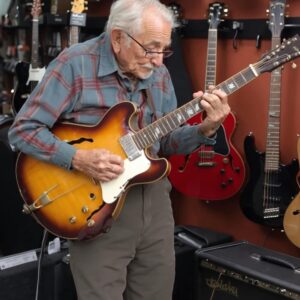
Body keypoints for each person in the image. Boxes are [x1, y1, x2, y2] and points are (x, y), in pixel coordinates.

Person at [8, 0, 230, 299]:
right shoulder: (74, 64)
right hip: (95, 207)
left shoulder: (158, 73)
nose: (159, 61)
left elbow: (164, 143)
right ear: (117, 38)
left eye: (165, 49)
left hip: (154, 205)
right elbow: (23, 130)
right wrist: (76, 158)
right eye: (151, 48)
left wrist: (206, 129)